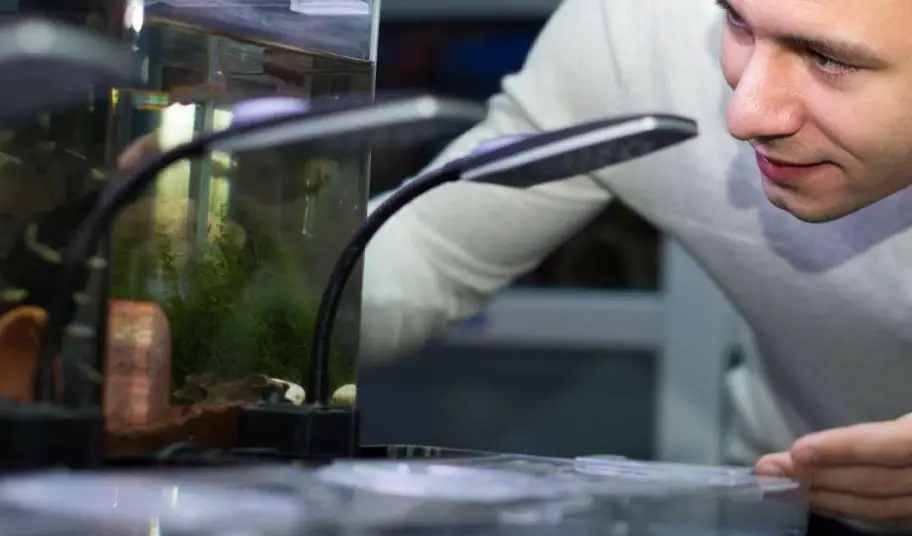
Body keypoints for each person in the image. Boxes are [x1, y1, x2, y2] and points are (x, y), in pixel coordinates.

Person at [355, 0, 912, 533]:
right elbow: (423, 248)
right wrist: (274, 271)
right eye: (737, 21)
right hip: (800, 502)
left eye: (830, 59)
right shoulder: (640, 33)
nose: (745, 114)